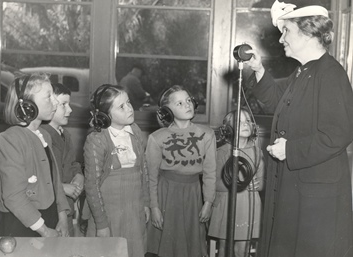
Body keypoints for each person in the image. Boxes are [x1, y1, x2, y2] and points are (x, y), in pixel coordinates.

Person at [244, 1, 353, 256]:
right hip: (299, 186)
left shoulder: (331, 74)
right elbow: (274, 100)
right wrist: (259, 69)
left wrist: (290, 150)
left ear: (307, 33)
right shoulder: (302, 72)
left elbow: (338, 134)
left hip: (316, 196)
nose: (282, 39)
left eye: (287, 32)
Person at [0, 73, 70, 237]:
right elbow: (13, 196)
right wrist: (44, 230)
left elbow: (55, 182)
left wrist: (62, 215)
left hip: (48, 215)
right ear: (27, 106)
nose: (55, 102)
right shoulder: (10, 139)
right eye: (49, 97)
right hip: (22, 223)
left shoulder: (44, 135)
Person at [146, 85, 216, 257]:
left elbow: (210, 173)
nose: (187, 105)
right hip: (166, 195)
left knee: (192, 246)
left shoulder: (206, 134)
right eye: (179, 103)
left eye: (188, 100)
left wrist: (208, 202)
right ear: (166, 111)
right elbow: (151, 177)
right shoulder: (157, 137)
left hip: (193, 194)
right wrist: (154, 207)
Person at [83, 84, 150, 257]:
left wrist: (146, 203)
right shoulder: (97, 140)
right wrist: (101, 224)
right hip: (109, 213)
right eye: (121, 106)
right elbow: (92, 186)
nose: (129, 109)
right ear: (105, 115)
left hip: (134, 209)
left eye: (128, 103)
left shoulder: (134, 130)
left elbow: (144, 170)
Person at [208, 107, 265, 257]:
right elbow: (214, 183)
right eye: (239, 122)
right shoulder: (222, 152)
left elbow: (261, 181)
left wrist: (258, 185)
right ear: (228, 129)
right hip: (227, 205)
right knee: (225, 246)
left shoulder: (257, 152)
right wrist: (235, 185)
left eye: (247, 120)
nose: (245, 124)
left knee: (243, 248)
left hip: (248, 205)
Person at [41, 83, 84, 237]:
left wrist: (79, 175)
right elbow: (40, 175)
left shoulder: (65, 134)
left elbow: (72, 163)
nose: (70, 110)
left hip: (68, 207)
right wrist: (62, 187)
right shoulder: (42, 136)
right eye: (64, 105)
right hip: (52, 210)